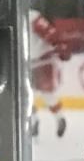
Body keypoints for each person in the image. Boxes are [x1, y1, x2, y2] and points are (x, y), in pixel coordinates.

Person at [28, 9, 69, 139]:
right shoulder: (17, 17)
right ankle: (33, 121)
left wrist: (60, 46)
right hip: (26, 62)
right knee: (26, 95)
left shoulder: (32, 16)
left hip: (43, 60)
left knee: (46, 94)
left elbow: (50, 33)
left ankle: (59, 118)